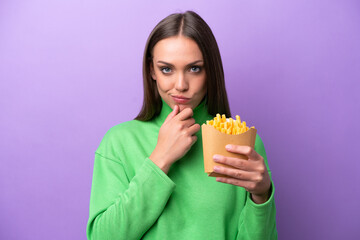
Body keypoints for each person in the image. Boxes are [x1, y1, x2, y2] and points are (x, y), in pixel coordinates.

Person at [87, 11, 277, 240]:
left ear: (211, 71)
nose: (180, 85)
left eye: (194, 68)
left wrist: (262, 196)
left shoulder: (243, 142)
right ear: (151, 70)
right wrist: (160, 160)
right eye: (166, 69)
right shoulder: (119, 142)